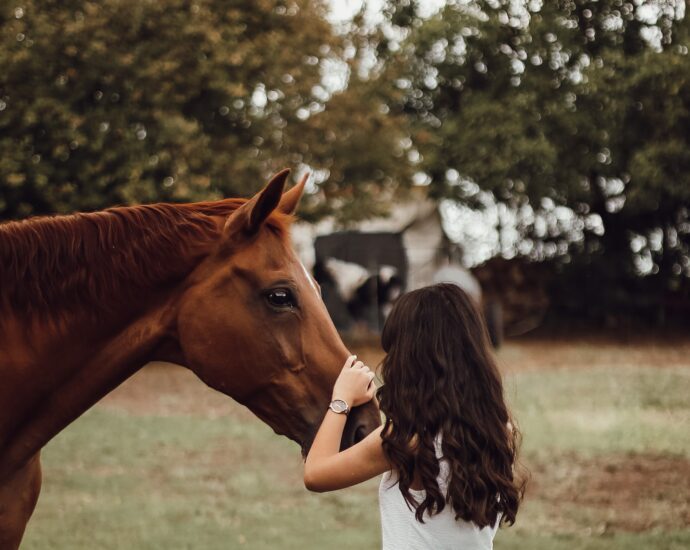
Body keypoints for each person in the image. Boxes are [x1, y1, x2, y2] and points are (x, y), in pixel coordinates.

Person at [304, 283, 526, 549]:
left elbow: (316, 474)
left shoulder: (405, 440)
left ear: (411, 358)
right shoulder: (499, 431)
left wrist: (341, 399)